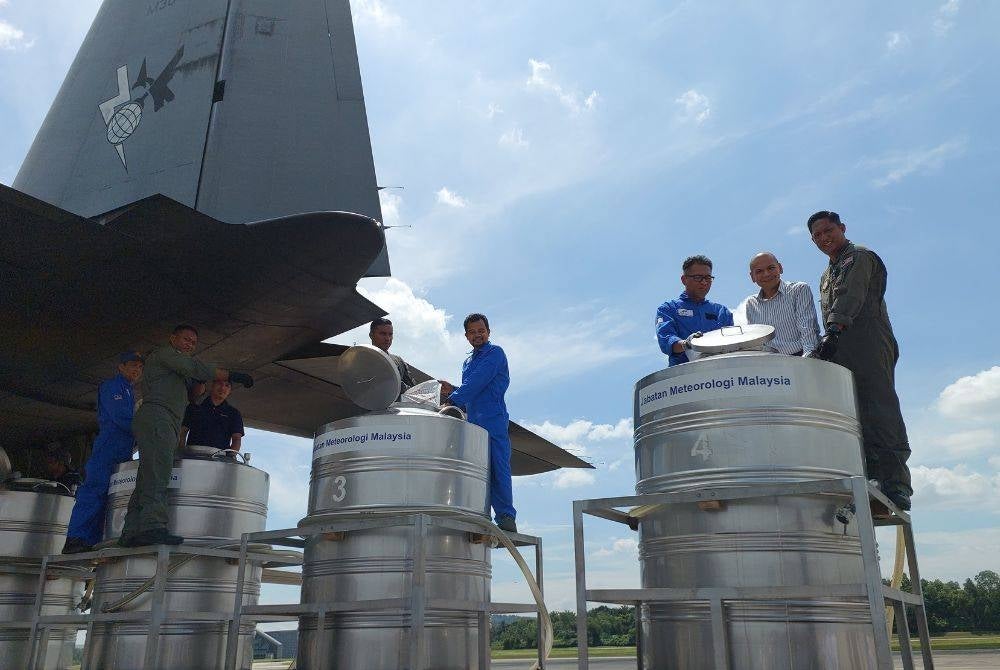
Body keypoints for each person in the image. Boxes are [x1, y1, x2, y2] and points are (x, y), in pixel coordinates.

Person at [806, 211, 912, 510]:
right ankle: (871, 477)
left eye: (829, 231)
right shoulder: (827, 274)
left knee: (880, 410)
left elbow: (850, 297)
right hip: (841, 349)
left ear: (842, 228)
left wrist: (834, 331)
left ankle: (896, 483)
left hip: (868, 343)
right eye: (817, 236)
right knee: (853, 416)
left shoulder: (860, 257)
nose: (824, 238)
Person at [119, 325, 253, 547]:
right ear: (172, 338)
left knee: (147, 477)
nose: (190, 344)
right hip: (157, 417)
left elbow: (193, 394)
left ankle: (131, 532)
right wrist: (231, 375)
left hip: (167, 420)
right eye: (186, 339)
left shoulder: (177, 371)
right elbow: (195, 367)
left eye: (193, 342)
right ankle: (153, 527)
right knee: (159, 475)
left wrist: (196, 385)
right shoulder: (166, 354)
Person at [438, 314, 517, 533]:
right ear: (466, 336)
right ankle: (479, 514)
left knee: (498, 466)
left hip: (493, 420)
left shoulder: (495, 353)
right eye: (472, 332)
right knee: (476, 469)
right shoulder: (467, 362)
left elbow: (478, 381)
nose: (477, 335)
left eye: (481, 330)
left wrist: (453, 398)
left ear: (488, 332)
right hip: (473, 422)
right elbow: (473, 390)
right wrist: (451, 392)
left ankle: (506, 518)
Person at [62, 352, 144, 554]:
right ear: (121, 367)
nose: (137, 370)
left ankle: (91, 540)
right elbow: (120, 418)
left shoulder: (129, 391)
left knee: (111, 496)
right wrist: (144, 427)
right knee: (94, 491)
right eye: (133, 365)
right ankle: (76, 538)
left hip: (123, 450)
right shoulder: (112, 387)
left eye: (140, 367)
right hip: (108, 448)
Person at [656, 254, 735, 365]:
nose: (704, 282)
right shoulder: (668, 309)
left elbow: (732, 343)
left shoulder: (722, 311)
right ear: (684, 280)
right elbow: (666, 340)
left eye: (708, 278)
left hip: (720, 376)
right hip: (685, 376)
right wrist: (686, 344)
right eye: (698, 278)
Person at [745, 252, 821, 356]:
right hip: (769, 365)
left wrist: (807, 362)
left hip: (801, 357)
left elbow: (808, 332)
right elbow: (756, 342)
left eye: (771, 268)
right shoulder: (751, 303)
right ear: (752, 277)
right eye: (759, 271)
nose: (766, 274)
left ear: (780, 268)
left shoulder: (799, 290)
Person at [179, 378, 245, 451]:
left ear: (230, 391)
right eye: (219, 384)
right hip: (192, 455)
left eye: (227, 386)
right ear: (212, 386)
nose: (222, 388)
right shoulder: (194, 408)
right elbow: (182, 432)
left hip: (220, 457)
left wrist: (231, 456)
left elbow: (236, 439)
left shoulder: (234, 413)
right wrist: (181, 452)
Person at [368, 317, 415, 398]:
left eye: (390, 334)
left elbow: (414, 391)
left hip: (394, 409)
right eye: (382, 334)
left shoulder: (398, 361)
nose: (387, 339)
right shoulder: (360, 358)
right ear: (371, 335)